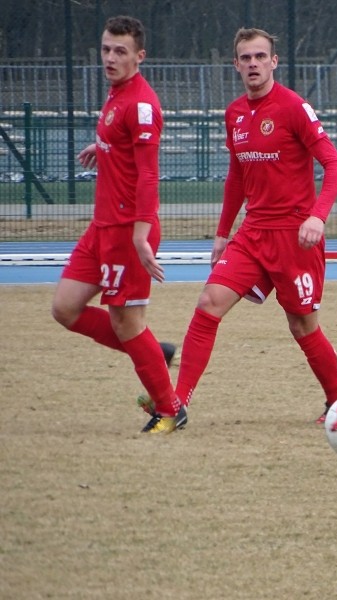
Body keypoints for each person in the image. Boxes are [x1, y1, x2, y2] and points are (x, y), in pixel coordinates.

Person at [172, 27, 337, 421]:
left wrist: (317, 216)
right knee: (208, 303)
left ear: (273, 62)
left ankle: (336, 401)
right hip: (252, 233)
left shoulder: (293, 107)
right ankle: (177, 404)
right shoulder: (234, 113)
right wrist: (222, 233)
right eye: (246, 58)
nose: (253, 64)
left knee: (302, 326)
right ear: (236, 64)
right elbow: (236, 176)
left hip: (295, 237)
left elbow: (334, 164)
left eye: (260, 56)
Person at [50, 16, 184, 434]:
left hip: (129, 229)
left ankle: (170, 410)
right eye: (106, 49)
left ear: (139, 56)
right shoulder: (116, 93)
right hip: (102, 226)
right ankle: (152, 351)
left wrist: (142, 233)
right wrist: (104, 147)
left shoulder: (142, 105)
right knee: (65, 309)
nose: (110, 57)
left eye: (120, 51)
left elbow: (148, 174)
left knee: (127, 322)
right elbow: (124, 145)